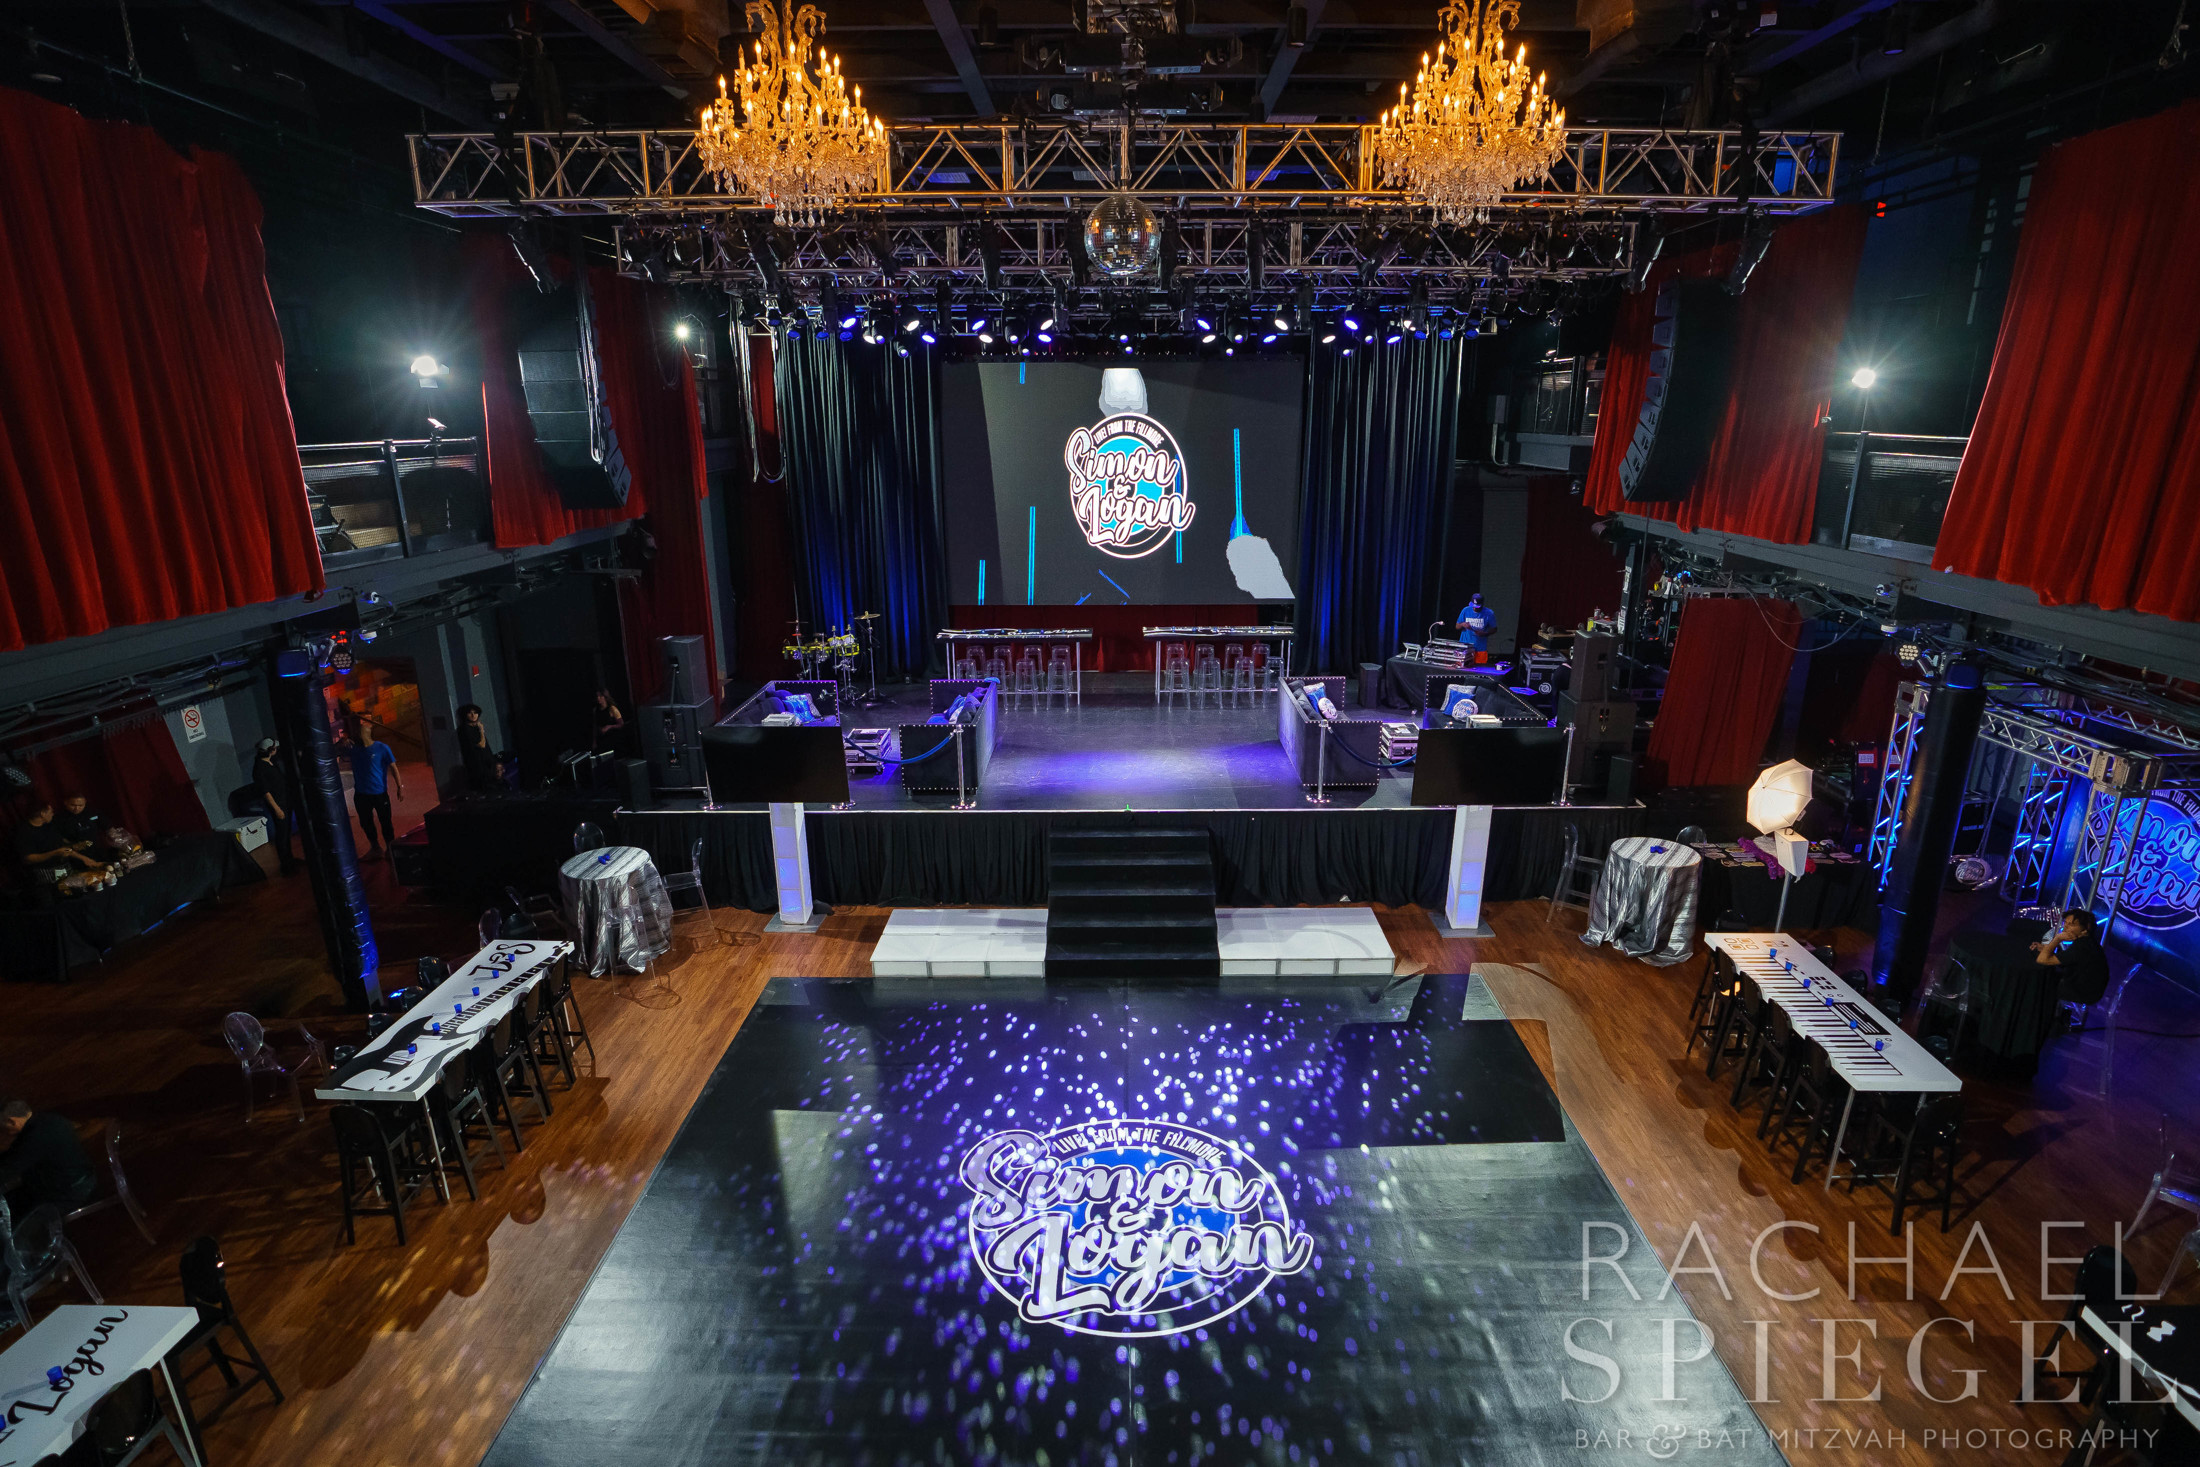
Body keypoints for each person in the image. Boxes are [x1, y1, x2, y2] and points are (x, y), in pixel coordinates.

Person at [0, 1099, 96, 1215]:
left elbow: (8, 1169)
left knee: (11, 1221)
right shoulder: (48, 1120)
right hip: (75, 1182)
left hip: (68, 1193)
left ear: (11, 1122)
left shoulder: (35, 1136)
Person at [2032, 908, 2112, 1007]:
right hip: (2079, 984)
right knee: (2046, 974)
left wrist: (2057, 939)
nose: (2066, 927)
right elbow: (2067, 960)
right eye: (2066, 922)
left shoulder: (2083, 947)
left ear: (2086, 928)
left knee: (2037, 979)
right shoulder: (2087, 942)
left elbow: (2042, 960)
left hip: (2083, 992)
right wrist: (2045, 948)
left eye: (2072, 925)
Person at [348, 722, 404, 857]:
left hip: (379, 793)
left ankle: (390, 848)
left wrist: (399, 787)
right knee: (366, 823)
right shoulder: (353, 749)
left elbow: (393, 768)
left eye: (361, 731)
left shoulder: (382, 748)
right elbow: (332, 750)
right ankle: (375, 847)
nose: (358, 734)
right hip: (361, 794)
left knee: (386, 822)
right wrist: (341, 742)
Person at [11, 801, 102, 882]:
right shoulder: (24, 832)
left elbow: (62, 848)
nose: (53, 814)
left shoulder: (50, 825)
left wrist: (85, 859)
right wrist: (54, 853)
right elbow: (28, 858)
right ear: (43, 813)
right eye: (51, 812)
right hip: (45, 875)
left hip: (65, 869)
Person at [251, 737, 301, 876]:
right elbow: (265, 792)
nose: (276, 750)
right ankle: (286, 866)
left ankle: (290, 859)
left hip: (285, 801)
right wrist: (277, 809)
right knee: (282, 835)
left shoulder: (271, 762)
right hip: (279, 805)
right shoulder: (260, 768)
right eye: (275, 748)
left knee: (286, 834)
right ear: (270, 750)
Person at [456, 704, 495, 792]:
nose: (473, 715)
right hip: (476, 763)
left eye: (475, 713)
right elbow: (482, 745)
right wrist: (481, 730)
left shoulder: (476, 726)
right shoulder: (464, 729)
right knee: (481, 788)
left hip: (486, 761)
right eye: (470, 713)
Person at [1455, 594, 1494, 660]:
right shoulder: (1465, 610)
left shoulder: (1489, 613)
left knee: (1479, 669)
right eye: (1473, 606)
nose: (1474, 608)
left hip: (1480, 649)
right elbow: (1457, 626)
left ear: (1482, 604)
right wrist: (1462, 624)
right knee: (1462, 668)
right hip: (1465, 648)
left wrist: (1485, 634)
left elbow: (1494, 629)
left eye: (1477, 606)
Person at [591, 690, 627, 757]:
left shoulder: (612, 709)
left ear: (605, 697)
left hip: (613, 739)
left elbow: (621, 724)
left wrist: (610, 726)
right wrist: (594, 742)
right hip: (602, 740)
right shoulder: (595, 710)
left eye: (600, 696)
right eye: (597, 696)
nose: (598, 698)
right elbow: (595, 727)